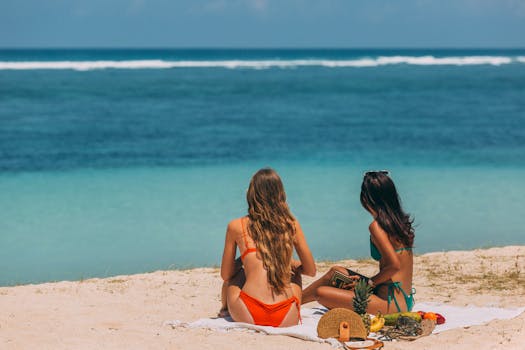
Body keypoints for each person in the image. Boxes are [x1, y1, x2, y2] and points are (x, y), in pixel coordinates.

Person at [302, 171, 415, 314]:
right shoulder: (399, 223)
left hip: (391, 305)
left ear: (367, 199)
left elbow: (394, 266)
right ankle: (294, 301)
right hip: (401, 298)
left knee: (321, 293)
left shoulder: (377, 227)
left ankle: (292, 303)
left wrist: (367, 284)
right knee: (335, 273)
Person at [219, 168, 316, 327]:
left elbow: (226, 275)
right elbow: (311, 271)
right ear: (280, 194)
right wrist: (290, 263)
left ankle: (224, 309)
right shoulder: (291, 225)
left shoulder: (236, 226)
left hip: (248, 312)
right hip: (285, 316)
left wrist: (244, 260)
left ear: (251, 194)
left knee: (235, 278)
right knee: (295, 276)